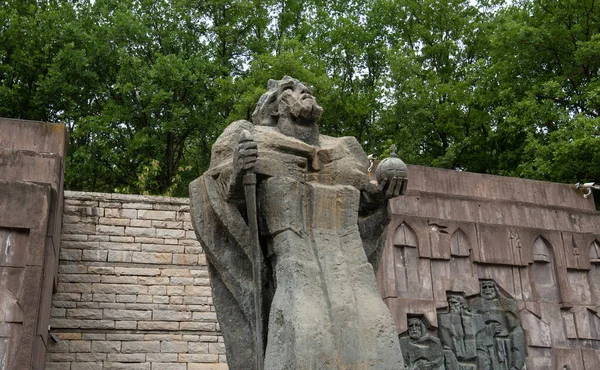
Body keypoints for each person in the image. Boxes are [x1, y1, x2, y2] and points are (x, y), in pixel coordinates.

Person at [189, 76, 407, 369]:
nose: (304, 91)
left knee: (377, 333)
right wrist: (240, 171)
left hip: (352, 268)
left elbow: (366, 205)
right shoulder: (252, 139)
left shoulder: (345, 148)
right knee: (305, 332)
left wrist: (384, 190)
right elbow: (226, 198)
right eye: (288, 90)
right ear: (275, 109)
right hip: (294, 266)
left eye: (306, 88)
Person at [470, 280, 525, 370]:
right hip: (484, 345)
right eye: (484, 287)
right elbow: (472, 326)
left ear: (495, 289)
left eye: (490, 287)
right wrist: (488, 329)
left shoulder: (506, 303)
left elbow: (514, 327)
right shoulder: (475, 305)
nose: (487, 290)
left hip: (503, 343)